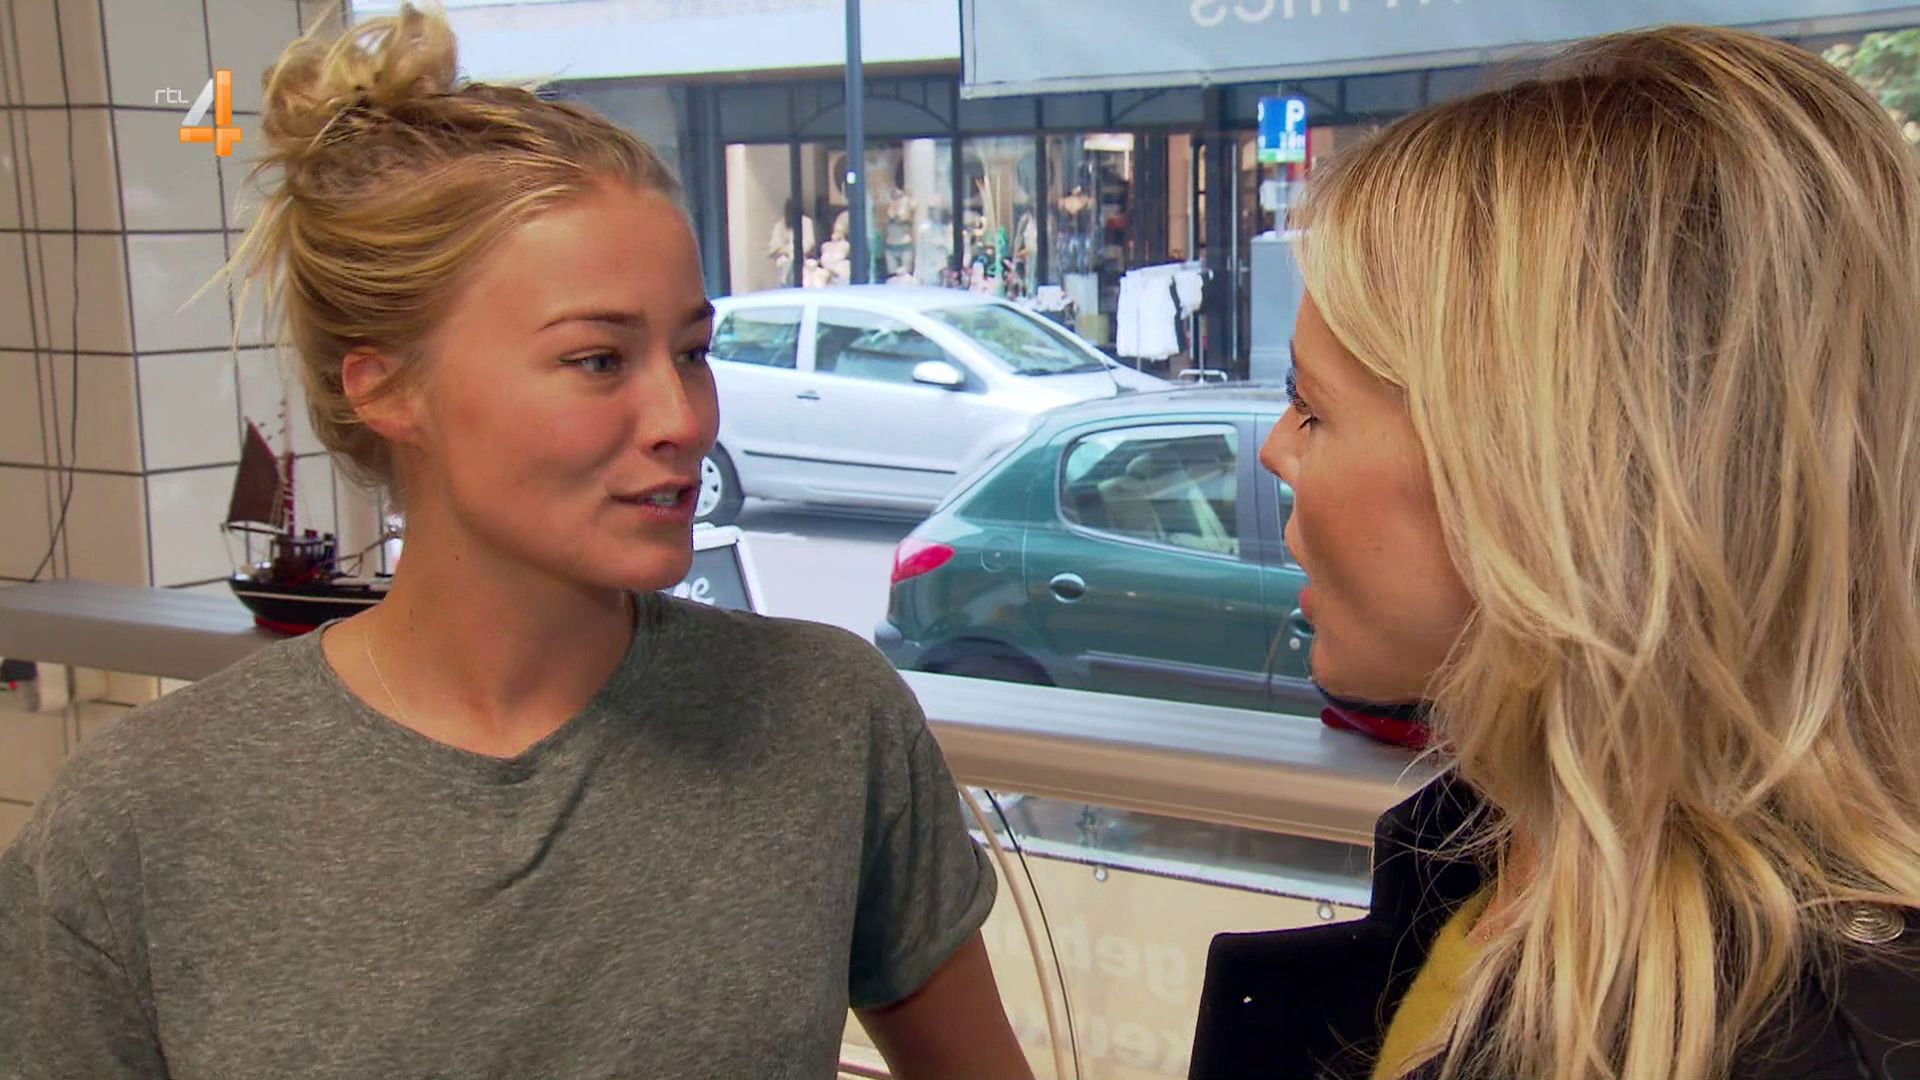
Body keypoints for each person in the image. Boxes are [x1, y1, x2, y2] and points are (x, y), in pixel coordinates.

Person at [0, 7, 1031, 1079]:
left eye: (691, 351)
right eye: (598, 360)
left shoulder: (824, 722)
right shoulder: (140, 823)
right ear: (389, 388)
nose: (682, 418)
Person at [1191, 25, 1920, 1080]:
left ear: (1535, 479)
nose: (1275, 449)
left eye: (1312, 407)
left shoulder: (1824, 1042)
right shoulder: (1485, 874)